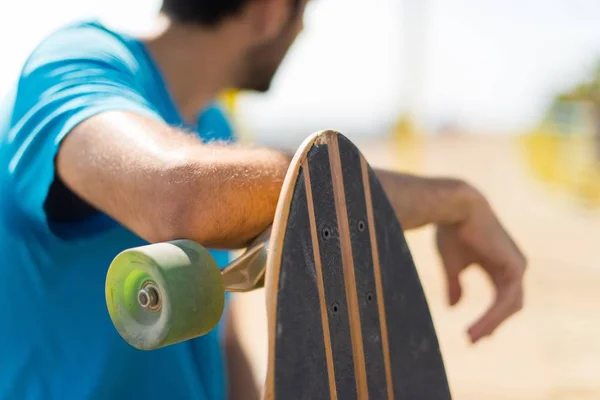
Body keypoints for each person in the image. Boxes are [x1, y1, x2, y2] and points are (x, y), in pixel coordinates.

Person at [0, 0, 526, 398]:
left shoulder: (212, 129)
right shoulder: (73, 63)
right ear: (271, 12)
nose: (304, 29)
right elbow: (180, 198)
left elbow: (223, 342)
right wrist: (452, 200)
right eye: (305, 13)